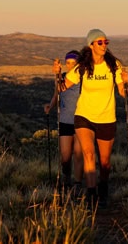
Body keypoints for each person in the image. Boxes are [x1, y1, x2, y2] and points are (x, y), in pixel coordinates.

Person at [55, 29, 128, 208]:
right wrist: (57, 74)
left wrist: (126, 83)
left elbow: (123, 93)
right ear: (91, 45)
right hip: (84, 116)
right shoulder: (82, 67)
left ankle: (103, 189)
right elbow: (62, 87)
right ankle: (92, 195)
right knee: (88, 154)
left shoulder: (114, 65)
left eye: (106, 42)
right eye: (100, 42)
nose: (104, 45)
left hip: (106, 117)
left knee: (104, 162)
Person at [44, 51, 84, 189]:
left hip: (81, 120)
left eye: (74, 63)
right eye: (68, 63)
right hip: (65, 120)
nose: (71, 66)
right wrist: (51, 105)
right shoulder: (62, 78)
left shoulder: (83, 79)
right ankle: (67, 177)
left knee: (79, 154)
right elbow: (57, 94)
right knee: (65, 156)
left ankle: (78, 184)